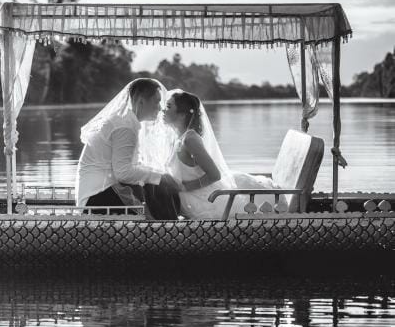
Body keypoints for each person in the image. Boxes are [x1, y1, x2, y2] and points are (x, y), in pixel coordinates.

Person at [159, 90, 282, 219]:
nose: (163, 110)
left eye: (168, 106)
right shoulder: (176, 138)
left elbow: (214, 175)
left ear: (182, 114)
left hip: (204, 202)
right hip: (184, 199)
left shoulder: (190, 139)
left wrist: (184, 187)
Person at [75, 78, 180, 220]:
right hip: (97, 197)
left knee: (157, 184)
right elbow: (123, 173)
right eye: (156, 101)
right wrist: (159, 177)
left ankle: (168, 223)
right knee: (159, 185)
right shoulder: (125, 126)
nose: (160, 108)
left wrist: (159, 175)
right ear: (141, 101)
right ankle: (169, 227)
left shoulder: (126, 121)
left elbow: (131, 167)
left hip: (100, 191)